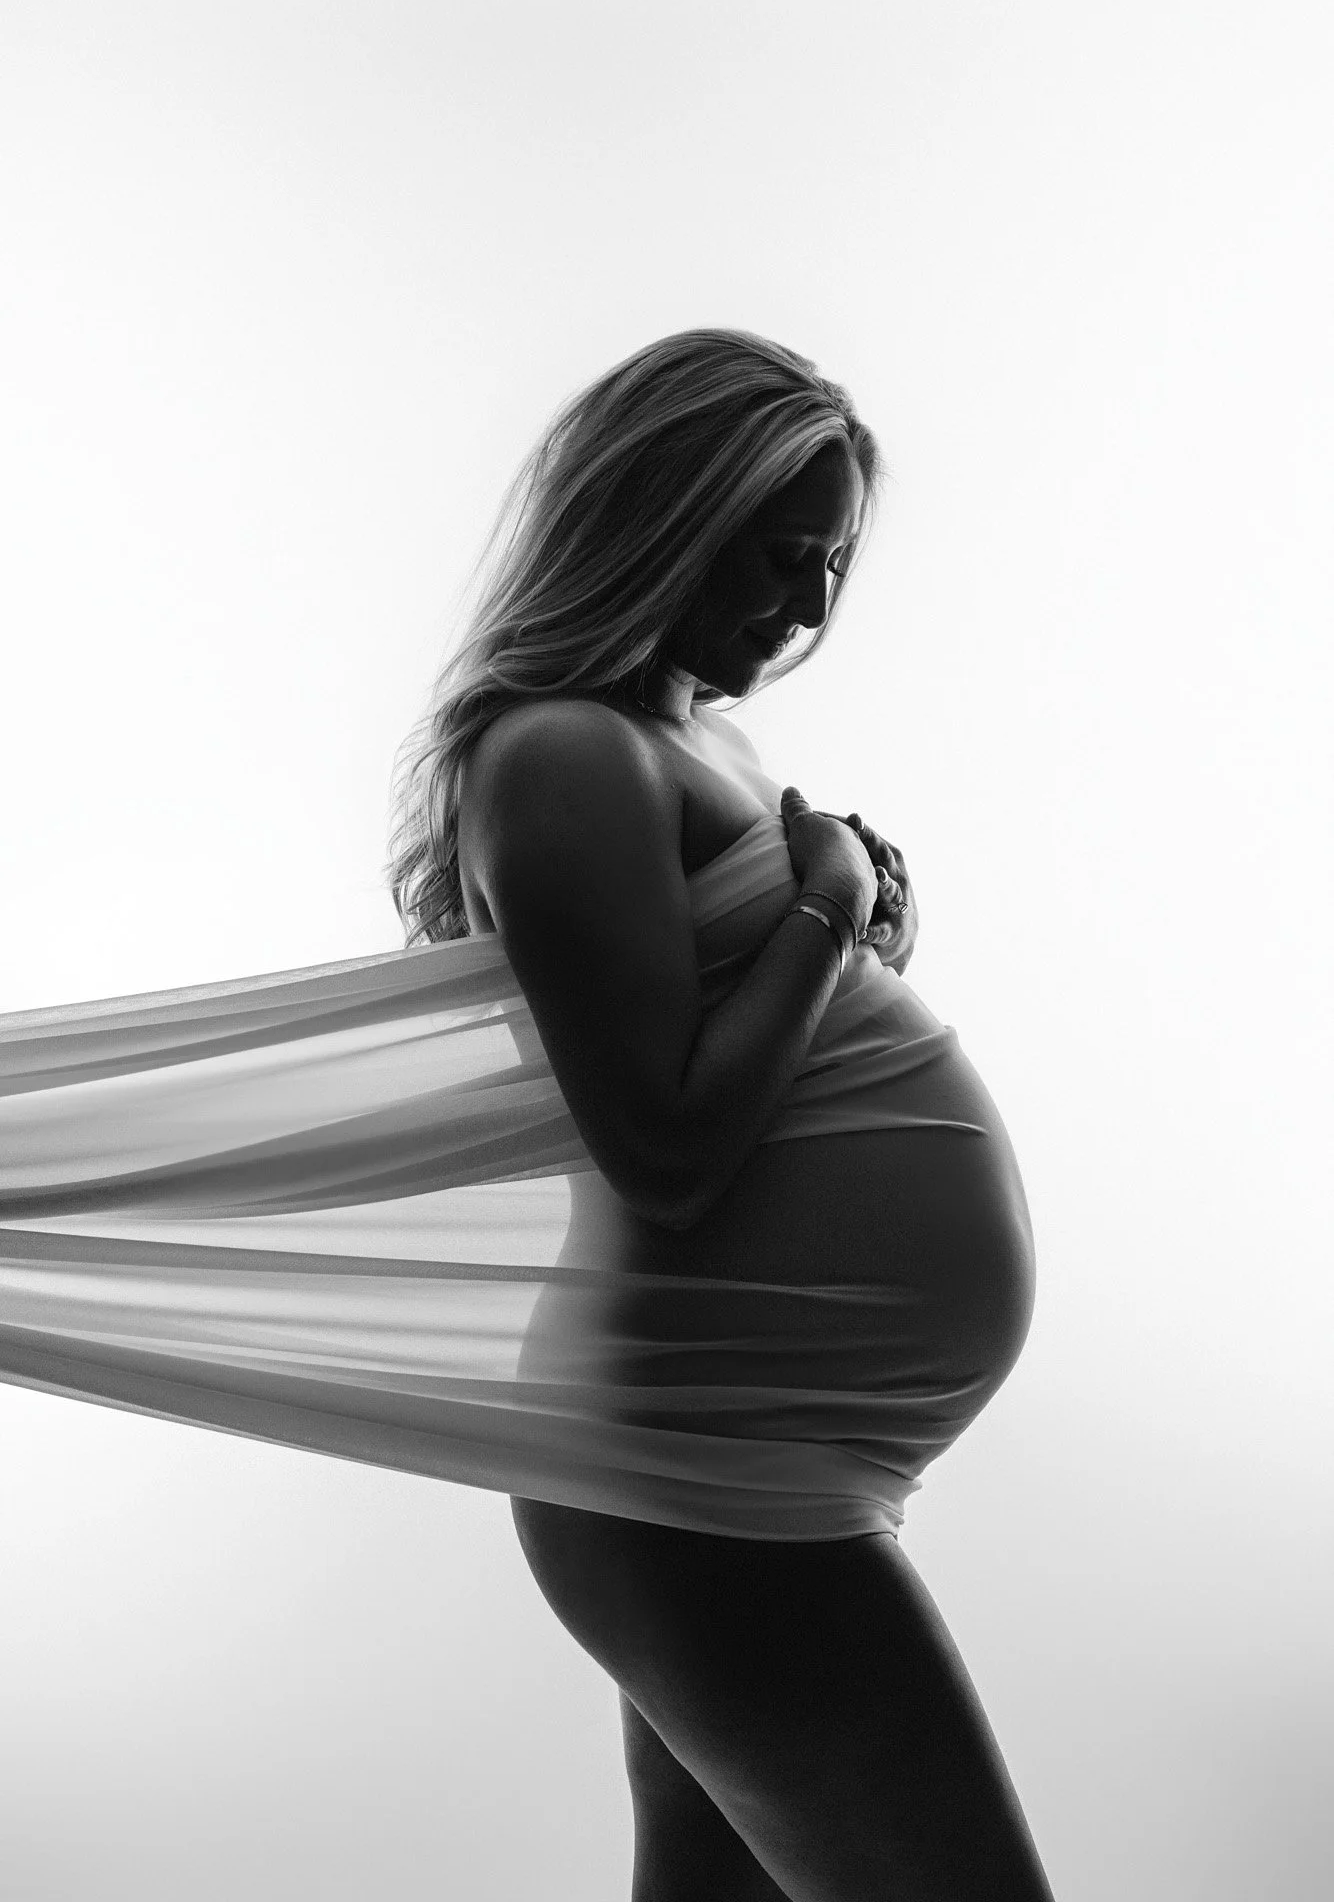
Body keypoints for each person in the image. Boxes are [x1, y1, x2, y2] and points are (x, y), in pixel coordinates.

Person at [390, 328, 1055, 1900]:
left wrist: (853, 930)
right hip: (701, 1462)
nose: (808, 606)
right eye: (775, 554)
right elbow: (668, 1152)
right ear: (660, 515)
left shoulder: (692, 739)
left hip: (738, 1460)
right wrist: (820, 913)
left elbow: (737, 1039)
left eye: (831, 563)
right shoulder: (562, 752)